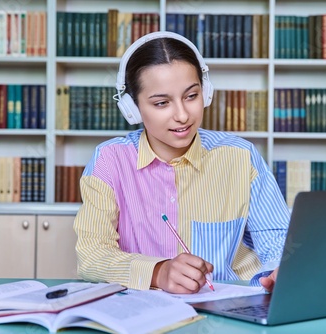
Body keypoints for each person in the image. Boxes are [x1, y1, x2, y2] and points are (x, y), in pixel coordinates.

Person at [73, 31, 291, 294]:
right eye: (162, 103)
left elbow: (278, 239)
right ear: (132, 108)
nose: (182, 115)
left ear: (205, 92)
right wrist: (158, 271)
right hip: (143, 315)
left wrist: (281, 269)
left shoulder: (241, 156)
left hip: (229, 308)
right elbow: (93, 255)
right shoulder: (109, 161)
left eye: (191, 96)